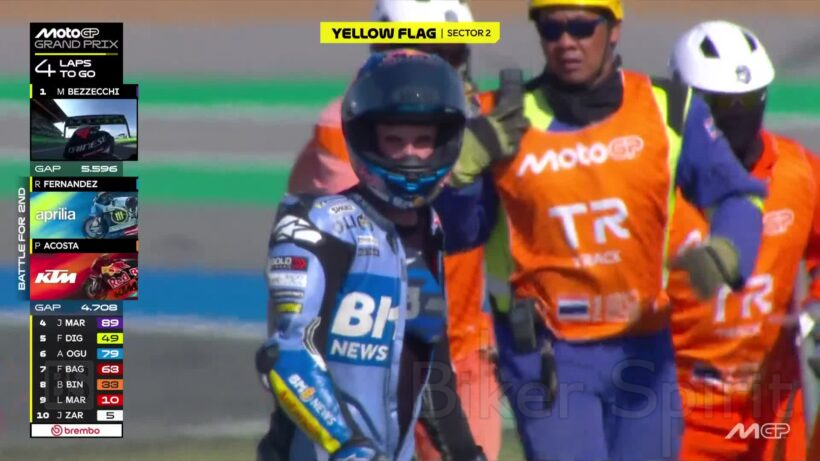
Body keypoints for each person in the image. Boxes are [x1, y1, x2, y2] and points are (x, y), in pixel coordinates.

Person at [443, 0, 770, 459]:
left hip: (643, 345)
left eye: (581, 27)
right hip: (546, 353)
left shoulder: (668, 108)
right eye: (551, 29)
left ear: (613, 29)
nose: (566, 42)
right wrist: (460, 175)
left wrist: (730, 251)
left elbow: (739, 193)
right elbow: (459, 235)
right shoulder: (501, 119)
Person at [287, 1, 502, 459]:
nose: (440, 68)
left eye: (451, 54)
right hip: (367, 352)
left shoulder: (478, 116)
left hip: (461, 344)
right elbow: (384, 238)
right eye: (428, 52)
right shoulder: (347, 125)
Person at [667, 21, 820, 461]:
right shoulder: (655, 180)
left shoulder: (799, 172)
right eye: (719, 103)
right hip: (676, 410)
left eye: (749, 100)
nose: (736, 115)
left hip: (772, 407)